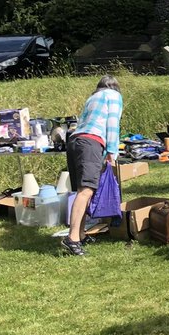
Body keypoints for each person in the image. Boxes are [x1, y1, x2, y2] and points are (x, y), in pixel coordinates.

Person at [62, 75, 122, 256]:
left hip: (75, 141)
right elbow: (112, 124)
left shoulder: (92, 98)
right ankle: (71, 239)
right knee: (86, 190)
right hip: (90, 142)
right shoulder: (114, 96)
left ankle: (80, 233)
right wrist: (112, 151)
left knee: (82, 190)